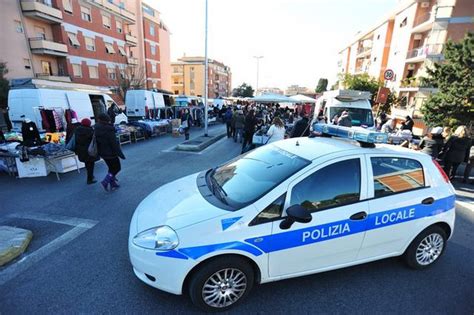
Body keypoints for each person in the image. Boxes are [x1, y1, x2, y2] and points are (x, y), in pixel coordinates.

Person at [94, 113, 125, 191]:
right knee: (117, 168)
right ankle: (106, 181)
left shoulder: (97, 128)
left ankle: (112, 183)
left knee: (111, 168)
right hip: (111, 152)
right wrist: (120, 154)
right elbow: (113, 143)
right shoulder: (109, 129)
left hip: (103, 152)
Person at [73, 118, 99, 184]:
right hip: (89, 150)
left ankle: (90, 176)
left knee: (87, 164)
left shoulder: (77, 130)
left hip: (81, 151)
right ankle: (89, 179)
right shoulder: (89, 130)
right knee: (91, 165)